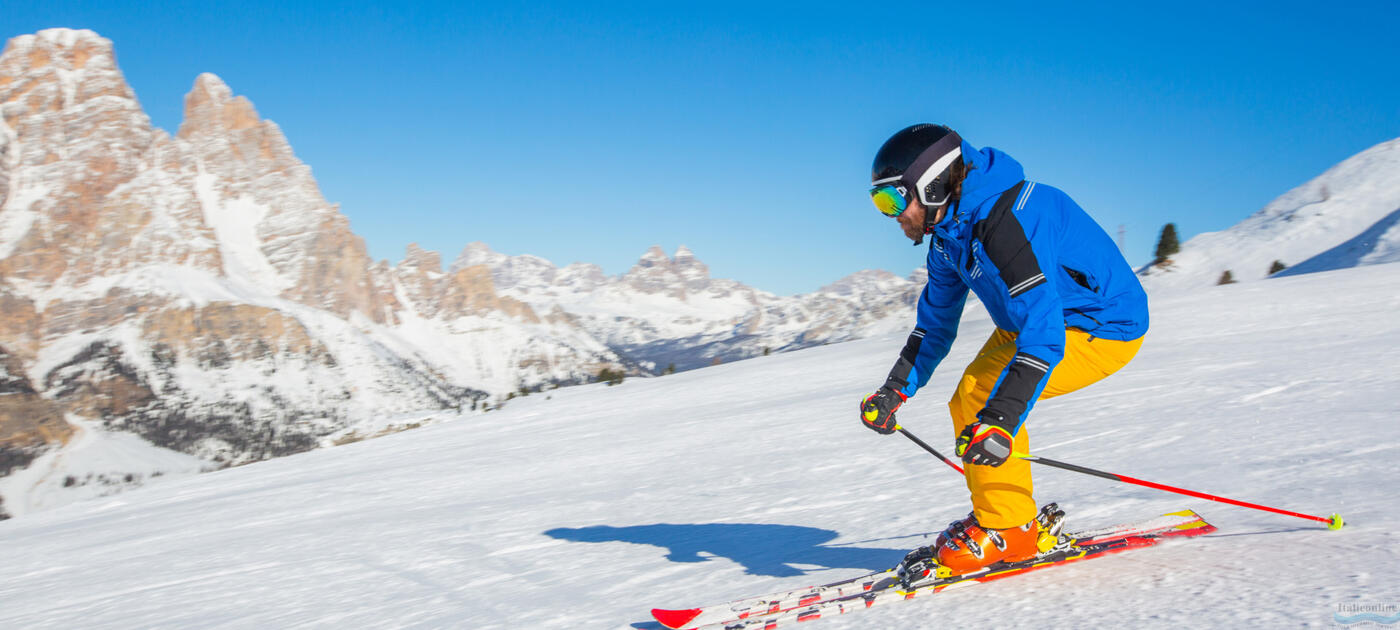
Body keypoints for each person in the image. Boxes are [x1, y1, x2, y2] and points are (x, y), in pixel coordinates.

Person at [858, 123, 1149, 576]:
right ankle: (1006, 515)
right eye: (879, 203)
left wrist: (1001, 422)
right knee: (970, 399)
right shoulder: (951, 236)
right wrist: (895, 390)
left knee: (984, 398)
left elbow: (1046, 332)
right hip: (1033, 321)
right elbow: (934, 326)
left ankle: (1010, 530)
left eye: (894, 199)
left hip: (1101, 325)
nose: (890, 214)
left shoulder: (1007, 223)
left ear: (933, 185)